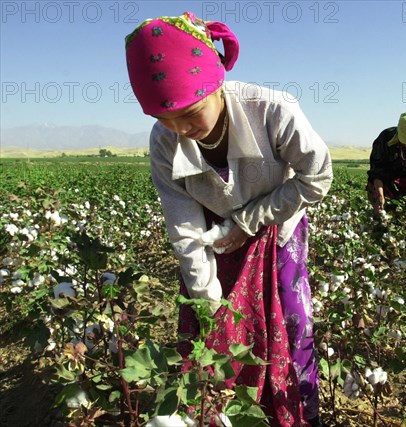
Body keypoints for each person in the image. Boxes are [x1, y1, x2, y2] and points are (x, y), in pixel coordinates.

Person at [125, 12, 332, 426]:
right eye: (164, 120)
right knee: (207, 331)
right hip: (211, 237)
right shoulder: (165, 143)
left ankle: (292, 414)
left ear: (216, 82)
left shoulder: (273, 112)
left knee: (289, 325)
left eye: (190, 113)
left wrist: (249, 220)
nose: (180, 129)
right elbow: (184, 228)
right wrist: (207, 301)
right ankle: (220, 413)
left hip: (277, 225)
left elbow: (317, 178)